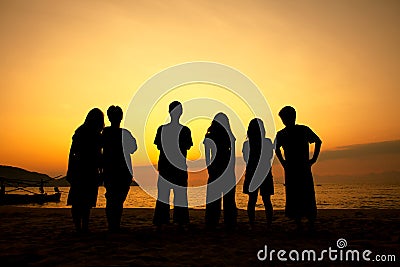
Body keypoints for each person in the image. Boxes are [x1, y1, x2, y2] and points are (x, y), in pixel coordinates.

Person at [275, 106, 322, 231]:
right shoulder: (284, 133)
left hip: (299, 167)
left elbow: (318, 141)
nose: (284, 121)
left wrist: (314, 159)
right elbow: (277, 149)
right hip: (293, 167)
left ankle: (306, 222)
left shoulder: (302, 130)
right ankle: (300, 223)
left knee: (304, 194)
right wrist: (283, 162)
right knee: (297, 194)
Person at [153, 101, 193, 230]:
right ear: (180, 113)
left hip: (166, 167)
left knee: (163, 195)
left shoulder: (162, 129)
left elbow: (159, 145)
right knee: (180, 194)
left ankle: (162, 219)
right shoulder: (185, 130)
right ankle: (180, 220)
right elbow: (187, 146)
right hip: (178, 167)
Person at [66, 108, 104, 233]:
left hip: (82, 169)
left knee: (79, 201)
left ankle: (80, 227)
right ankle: (83, 227)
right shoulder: (92, 135)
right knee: (84, 201)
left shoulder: (82, 132)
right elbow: (99, 155)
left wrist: (70, 169)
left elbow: (72, 153)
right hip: (87, 170)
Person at [102, 105, 137, 232]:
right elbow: (133, 148)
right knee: (117, 198)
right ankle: (114, 224)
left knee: (112, 198)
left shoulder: (105, 133)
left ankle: (113, 224)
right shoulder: (124, 133)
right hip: (121, 171)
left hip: (111, 170)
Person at [204, 113, 237, 229]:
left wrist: (209, 168)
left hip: (216, 168)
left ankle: (212, 221)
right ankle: (229, 221)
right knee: (228, 199)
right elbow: (232, 155)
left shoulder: (210, 136)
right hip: (225, 168)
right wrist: (232, 167)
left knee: (214, 198)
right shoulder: (229, 136)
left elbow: (207, 157)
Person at [242, 118, 274, 229]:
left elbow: (246, 159)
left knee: (252, 200)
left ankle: (252, 224)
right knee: (266, 200)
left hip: (251, 172)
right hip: (265, 172)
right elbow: (269, 157)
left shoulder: (247, 144)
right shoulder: (267, 142)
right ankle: (269, 224)